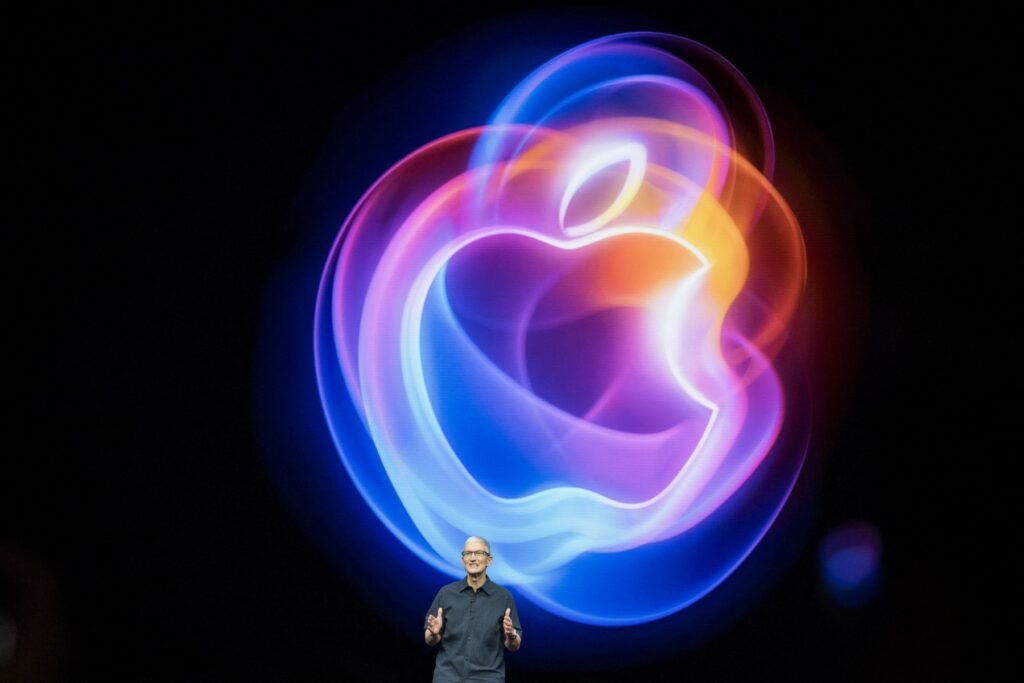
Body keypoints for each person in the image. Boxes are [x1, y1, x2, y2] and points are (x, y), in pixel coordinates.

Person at [424, 536, 522, 682]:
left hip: (487, 678)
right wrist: (433, 633)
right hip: (447, 676)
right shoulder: (446, 593)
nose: (472, 558)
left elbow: (514, 646)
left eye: (479, 553)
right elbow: (429, 640)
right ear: (463, 560)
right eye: (468, 553)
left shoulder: (503, 597)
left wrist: (511, 635)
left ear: (489, 560)